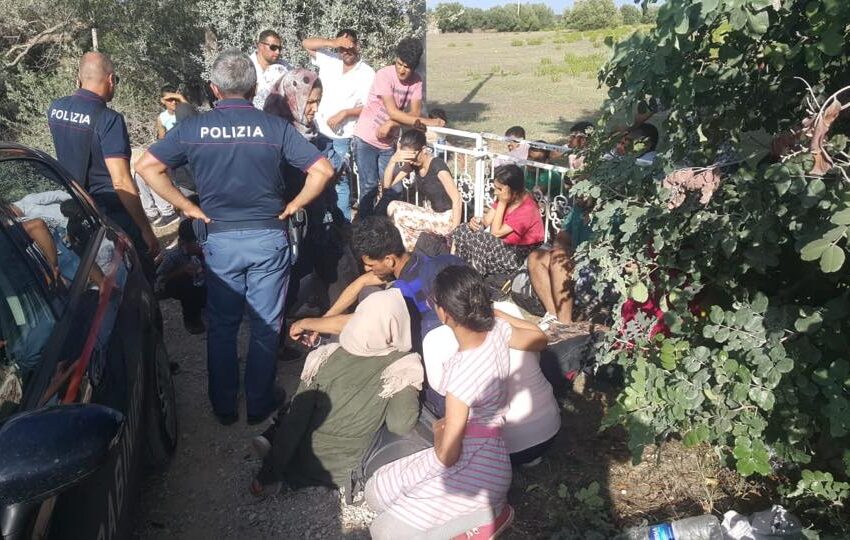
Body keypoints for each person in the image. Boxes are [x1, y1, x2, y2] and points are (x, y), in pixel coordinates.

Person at [135, 49, 335, 425]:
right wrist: (294, 205)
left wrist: (186, 207)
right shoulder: (274, 128)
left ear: (213, 88)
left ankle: (224, 406)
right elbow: (322, 170)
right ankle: (259, 403)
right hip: (267, 238)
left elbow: (147, 166)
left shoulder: (193, 128)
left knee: (223, 325)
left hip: (220, 239)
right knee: (265, 324)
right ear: (254, 86)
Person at [366, 266, 546, 539]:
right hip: (493, 454)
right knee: (376, 491)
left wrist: (440, 428)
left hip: (474, 471)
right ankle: (476, 518)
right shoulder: (498, 331)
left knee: (383, 531)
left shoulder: (461, 372)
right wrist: (496, 313)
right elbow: (539, 337)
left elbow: (448, 455)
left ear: (444, 313)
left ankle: (490, 517)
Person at [249, 288, 423, 496]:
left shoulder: (326, 355)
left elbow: (296, 422)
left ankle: (277, 464)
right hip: (344, 470)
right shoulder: (401, 367)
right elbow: (400, 424)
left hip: (304, 456)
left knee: (295, 414)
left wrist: (268, 472)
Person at [47, 52, 159, 278]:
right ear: (110, 79)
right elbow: (120, 180)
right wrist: (146, 230)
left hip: (77, 208)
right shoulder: (108, 119)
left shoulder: (55, 109)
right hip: (110, 213)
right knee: (140, 275)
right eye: (115, 82)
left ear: (79, 79)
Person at [293, 216, 464, 351]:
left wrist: (306, 323)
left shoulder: (404, 291)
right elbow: (361, 282)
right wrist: (324, 320)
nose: (367, 269)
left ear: (389, 260)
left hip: (429, 351)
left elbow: (358, 322)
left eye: (371, 264)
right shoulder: (416, 259)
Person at [422, 301, 558, 467]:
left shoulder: (435, 338)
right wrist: (498, 313)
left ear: (443, 313)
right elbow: (540, 341)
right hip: (550, 431)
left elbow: (441, 390)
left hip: (499, 450)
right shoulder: (506, 310)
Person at [352, 37, 444, 216]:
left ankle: (378, 224)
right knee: (369, 187)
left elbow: (414, 114)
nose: (401, 70)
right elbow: (394, 111)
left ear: (414, 67)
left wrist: (392, 123)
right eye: (399, 64)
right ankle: (363, 230)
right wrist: (428, 122)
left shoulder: (416, 81)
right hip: (365, 139)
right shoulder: (384, 75)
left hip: (388, 143)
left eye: (407, 67)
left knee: (395, 188)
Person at [302, 29, 375, 222]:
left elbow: (370, 107)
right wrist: (333, 42)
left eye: (349, 46)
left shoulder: (367, 73)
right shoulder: (329, 59)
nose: (345, 51)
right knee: (316, 176)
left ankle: (342, 226)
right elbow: (306, 43)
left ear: (357, 45)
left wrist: (346, 113)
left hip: (343, 137)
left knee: (340, 182)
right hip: (318, 132)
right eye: (342, 48)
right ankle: (321, 224)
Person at [451, 164, 544, 278]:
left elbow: (494, 233)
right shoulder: (505, 196)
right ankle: (455, 270)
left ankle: (474, 280)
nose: (495, 192)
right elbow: (486, 221)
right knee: (463, 229)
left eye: (499, 189)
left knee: (482, 240)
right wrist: (475, 223)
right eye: (495, 187)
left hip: (518, 254)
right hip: (501, 247)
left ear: (513, 191)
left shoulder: (527, 208)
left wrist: (502, 202)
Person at [383, 129, 462, 251]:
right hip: (432, 215)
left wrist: (454, 237)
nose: (410, 161)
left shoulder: (437, 165)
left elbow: (457, 199)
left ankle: (410, 251)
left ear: (424, 150)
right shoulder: (414, 164)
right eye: (407, 158)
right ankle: (413, 250)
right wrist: (393, 160)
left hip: (446, 219)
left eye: (412, 156)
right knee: (392, 208)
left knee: (397, 211)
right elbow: (387, 185)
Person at [527, 196, 593, 328]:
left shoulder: (612, 212)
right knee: (535, 257)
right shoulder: (578, 209)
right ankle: (552, 315)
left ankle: (564, 324)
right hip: (574, 256)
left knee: (559, 262)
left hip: (596, 263)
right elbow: (562, 237)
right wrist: (561, 249)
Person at [154, 219, 206, 334]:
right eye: (198, 242)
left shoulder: (206, 250)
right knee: (188, 288)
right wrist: (182, 271)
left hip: (203, 282)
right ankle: (191, 320)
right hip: (180, 286)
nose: (203, 244)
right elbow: (159, 280)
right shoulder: (173, 257)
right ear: (184, 242)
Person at [250, 29, 293, 109]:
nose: (277, 52)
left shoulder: (285, 67)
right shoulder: (246, 66)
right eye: (273, 47)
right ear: (260, 46)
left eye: (279, 49)